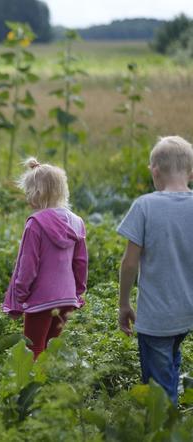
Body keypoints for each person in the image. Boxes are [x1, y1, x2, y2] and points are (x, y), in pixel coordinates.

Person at [117, 135, 193, 404]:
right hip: (186, 314)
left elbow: (129, 262)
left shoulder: (145, 206)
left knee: (159, 392)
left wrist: (124, 303)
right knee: (171, 358)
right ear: (191, 172)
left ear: (155, 170)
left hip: (156, 317)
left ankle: (166, 429)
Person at [2, 158, 87, 359]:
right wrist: (78, 291)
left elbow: (27, 265)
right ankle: (49, 386)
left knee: (33, 350)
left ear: (37, 192)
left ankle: (34, 388)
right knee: (49, 351)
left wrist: (20, 294)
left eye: (28, 191)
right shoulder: (77, 222)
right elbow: (81, 262)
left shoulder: (35, 224)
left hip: (41, 299)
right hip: (67, 297)